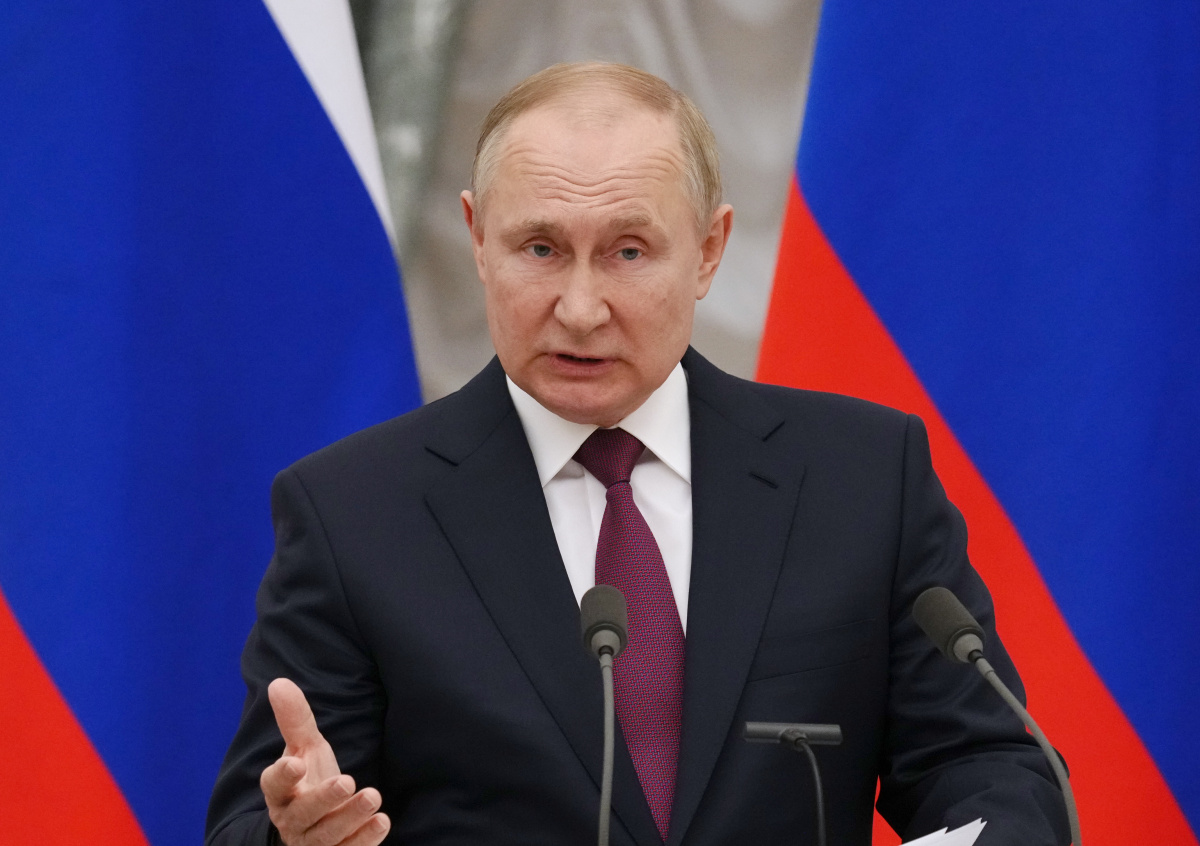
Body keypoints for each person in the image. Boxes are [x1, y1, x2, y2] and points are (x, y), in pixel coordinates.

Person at [206, 62, 1069, 846]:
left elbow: (986, 765)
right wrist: (298, 841)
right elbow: (255, 820)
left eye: (628, 252)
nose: (581, 309)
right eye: (540, 249)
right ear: (477, 238)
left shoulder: (863, 477)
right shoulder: (352, 514)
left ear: (708, 251)